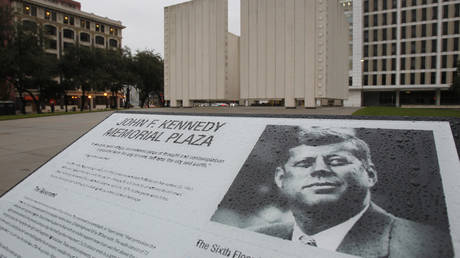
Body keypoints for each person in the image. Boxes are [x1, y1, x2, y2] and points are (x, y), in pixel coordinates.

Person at [252, 127, 452, 258]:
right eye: (304, 163)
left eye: (337, 161)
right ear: (280, 179)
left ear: (370, 174)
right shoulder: (256, 237)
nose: (319, 170)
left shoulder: (428, 247)